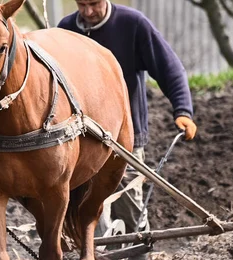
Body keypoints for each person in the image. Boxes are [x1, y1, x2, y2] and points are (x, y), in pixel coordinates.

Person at [58, 0, 197, 241]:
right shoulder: (65, 30)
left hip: (124, 138)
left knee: (129, 207)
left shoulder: (132, 24)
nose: (88, 12)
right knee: (86, 209)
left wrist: (183, 110)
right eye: (81, 5)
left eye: (94, 4)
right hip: (81, 142)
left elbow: (170, 69)